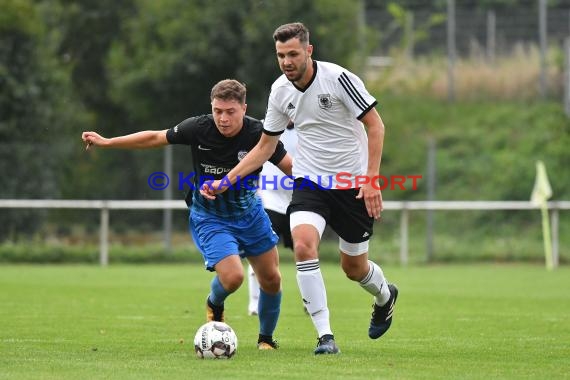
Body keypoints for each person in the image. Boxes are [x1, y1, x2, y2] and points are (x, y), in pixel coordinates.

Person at [201, 23, 398, 355]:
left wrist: (371, 178)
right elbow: (265, 147)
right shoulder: (280, 91)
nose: (286, 61)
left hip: (351, 184)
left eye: (292, 53)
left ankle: (385, 295)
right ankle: (325, 336)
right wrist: (226, 181)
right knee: (304, 247)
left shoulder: (338, 79)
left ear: (309, 51)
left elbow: (375, 124)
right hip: (309, 182)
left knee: (355, 269)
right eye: (280, 55)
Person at [82, 79, 292, 350]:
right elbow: (156, 137)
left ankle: (266, 339)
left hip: (250, 214)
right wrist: (108, 142)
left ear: (244, 108)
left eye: (230, 112)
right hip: (210, 216)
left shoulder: (259, 133)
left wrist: (321, 189)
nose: (223, 118)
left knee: (272, 278)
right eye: (217, 111)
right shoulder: (199, 127)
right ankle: (214, 303)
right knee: (233, 277)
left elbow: (290, 167)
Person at [247, 121, 297, 316]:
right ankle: (254, 303)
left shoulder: (310, 126)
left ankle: (309, 301)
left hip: (300, 200)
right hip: (269, 199)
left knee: (306, 253)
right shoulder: (262, 128)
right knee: (260, 250)